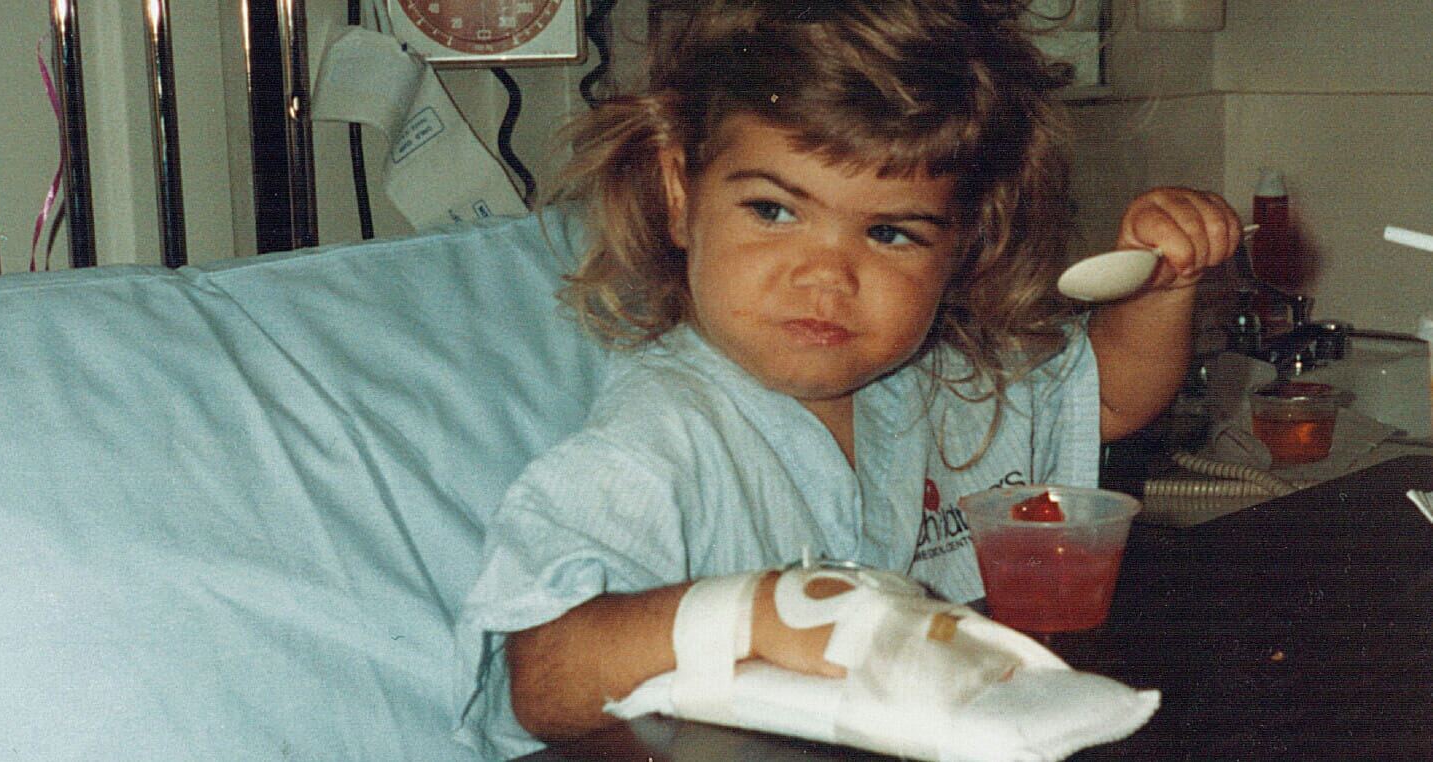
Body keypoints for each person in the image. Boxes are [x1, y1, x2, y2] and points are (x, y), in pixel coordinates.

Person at [455, 0, 1241, 756]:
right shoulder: (657, 445)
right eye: (773, 211)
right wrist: (755, 615)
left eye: (890, 231)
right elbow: (543, 678)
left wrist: (1162, 288)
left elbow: (1110, 397)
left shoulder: (951, 376)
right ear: (678, 196)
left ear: (966, 244)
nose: (827, 276)